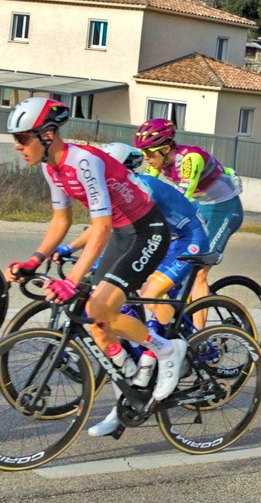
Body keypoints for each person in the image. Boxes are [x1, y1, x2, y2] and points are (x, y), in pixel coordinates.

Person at [3, 97, 188, 404]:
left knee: (101, 309)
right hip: (121, 232)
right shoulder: (52, 170)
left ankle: (167, 350)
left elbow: (99, 228)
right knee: (95, 320)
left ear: (47, 135)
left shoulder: (82, 161)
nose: (17, 146)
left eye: (22, 138)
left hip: (147, 232)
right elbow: (61, 220)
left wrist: (71, 280)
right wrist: (32, 261)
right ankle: (127, 380)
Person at [84, 141, 213, 438]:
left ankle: (160, 354)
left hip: (186, 238)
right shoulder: (116, 192)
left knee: (149, 289)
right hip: (159, 239)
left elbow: (143, 237)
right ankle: (128, 397)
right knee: (107, 305)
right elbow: (109, 232)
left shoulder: (143, 187)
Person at [134, 117, 245, 305]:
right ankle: (178, 313)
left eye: (149, 152)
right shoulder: (159, 161)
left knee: (199, 270)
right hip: (201, 205)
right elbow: (146, 190)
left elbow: (182, 198)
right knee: (171, 253)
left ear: (166, 148)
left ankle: (201, 334)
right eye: (142, 152)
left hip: (225, 208)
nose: (146, 157)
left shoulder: (190, 159)